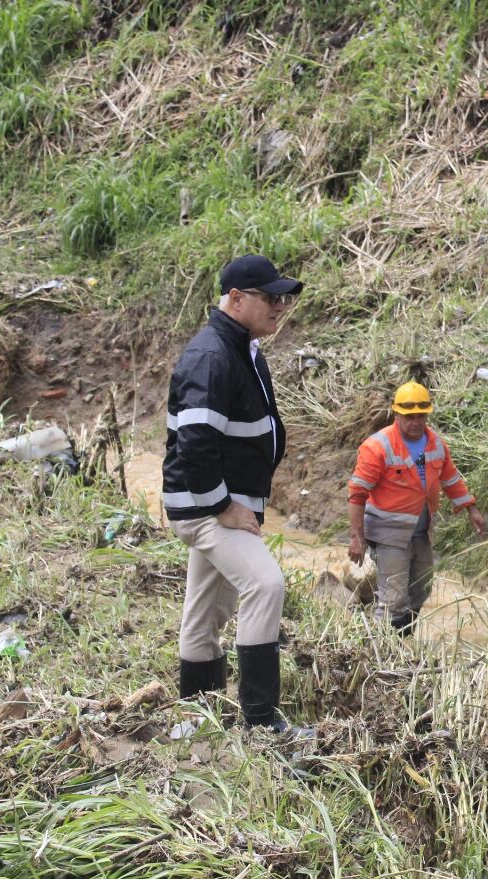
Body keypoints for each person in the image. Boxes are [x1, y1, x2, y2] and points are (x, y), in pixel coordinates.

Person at [162, 254, 302, 732]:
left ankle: (195, 720)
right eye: (270, 298)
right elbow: (195, 440)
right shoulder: (213, 355)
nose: (280, 307)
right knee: (266, 585)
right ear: (237, 299)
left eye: (282, 298)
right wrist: (222, 506)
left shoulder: (241, 347)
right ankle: (262, 723)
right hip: (207, 505)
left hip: (214, 501)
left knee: (206, 611)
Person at [346, 383, 487, 633]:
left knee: (421, 588)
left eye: (421, 416)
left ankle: (403, 641)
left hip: (421, 531)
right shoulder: (378, 446)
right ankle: (382, 653)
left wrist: (470, 508)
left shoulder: (435, 444)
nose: (416, 422)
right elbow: (357, 495)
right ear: (397, 414)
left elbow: (450, 478)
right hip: (388, 533)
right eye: (409, 417)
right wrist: (356, 537)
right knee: (394, 597)